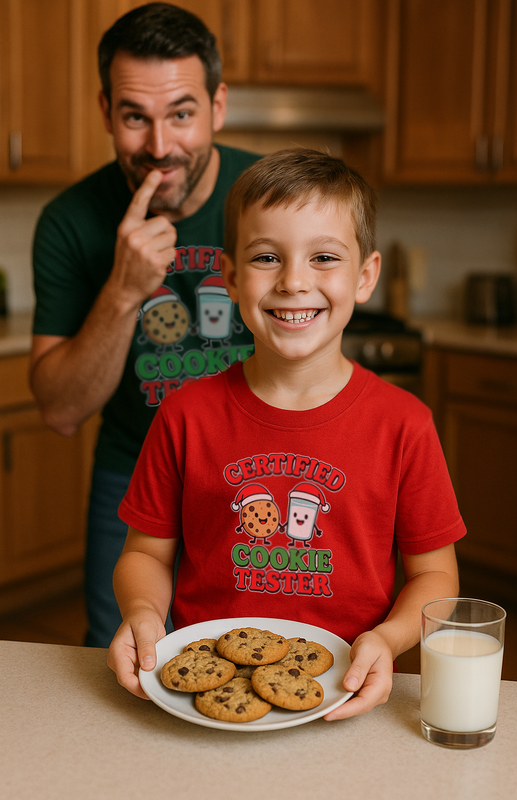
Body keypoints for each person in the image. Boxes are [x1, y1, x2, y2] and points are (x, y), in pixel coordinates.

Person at [107, 148, 465, 720]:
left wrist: (391, 638)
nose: (294, 281)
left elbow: (436, 575)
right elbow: (145, 554)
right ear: (229, 277)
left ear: (365, 276)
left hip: (346, 695)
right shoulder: (184, 416)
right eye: (267, 257)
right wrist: (144, 612)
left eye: (324, 257)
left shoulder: (405, 425)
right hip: (207, 703)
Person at [29, 3, 259, 647]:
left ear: (217, 105)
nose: (160, 147)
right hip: (132, 475)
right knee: (121, 661)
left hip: (262, 471)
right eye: (136, 117)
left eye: (181, 113)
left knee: (260, 652)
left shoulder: (269, 194)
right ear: (106, 111)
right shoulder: (70, 222)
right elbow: (59, 409)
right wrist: (124, 291)